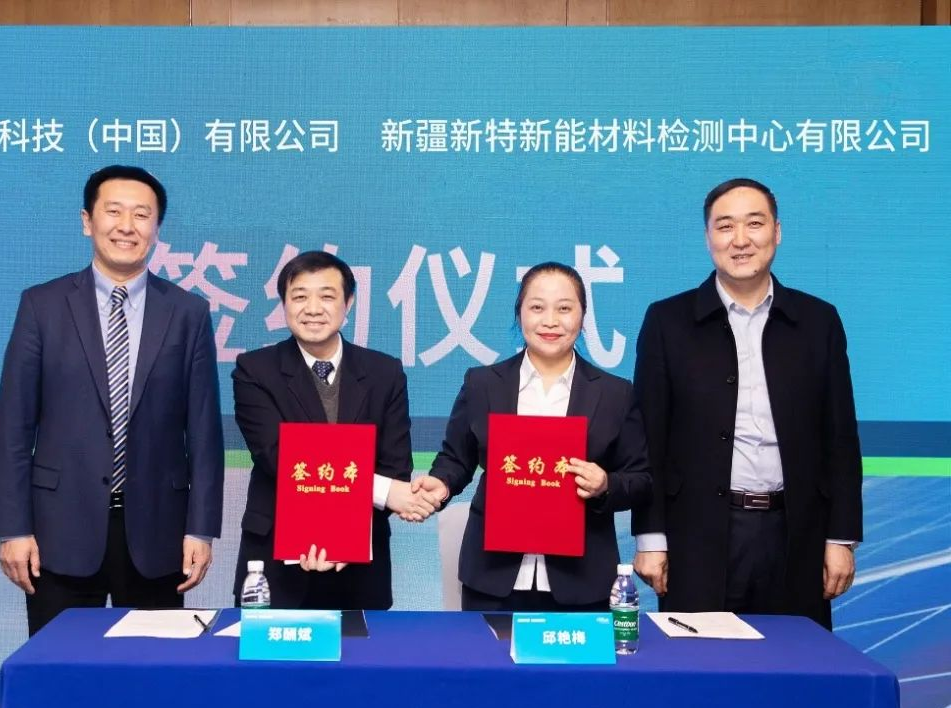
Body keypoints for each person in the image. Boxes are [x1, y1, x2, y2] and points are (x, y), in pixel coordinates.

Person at [0, 165, 224, 636]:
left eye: (142, 215)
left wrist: (200, 529)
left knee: (153, 668)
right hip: (59, 528)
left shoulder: (188, 312)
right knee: (62, 667)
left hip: (158, 529)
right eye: (113, 211)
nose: (127, 226)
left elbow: (204, 431)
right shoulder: (42, 305)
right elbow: (14, 425)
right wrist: (14, 528)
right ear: (87, 221)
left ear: (157, 228)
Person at [632, 177, 862, 629]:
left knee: (795, 663)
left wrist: (841, 537)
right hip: (697, 536)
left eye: (754, 224)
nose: (740, 240)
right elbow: (649, 439)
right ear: (708, 238)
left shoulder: (818, 321)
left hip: (796, 533)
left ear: (777, 231)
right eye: (725, 226)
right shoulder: (668, 321)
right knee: (699, 664)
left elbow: (840, 436)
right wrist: (650, 537)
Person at [416, 262, 652, 611]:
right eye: (537, 307)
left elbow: (641, 478)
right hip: (493, 576)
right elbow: (456, 458)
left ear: (583, 316)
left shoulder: (615, 393)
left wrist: (605, 484)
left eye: (564, 308)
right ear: (520, 313)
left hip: (581, 579)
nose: (550, 321)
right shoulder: (483, 384)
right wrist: (442, 483)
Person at [232, 250, 437, 610]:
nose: (313, 308)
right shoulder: (255, 370)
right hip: (276, 559)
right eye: (300, 296)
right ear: (284, 304)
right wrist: (384, 491)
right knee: (274, 648)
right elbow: (279, 457)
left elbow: (395, 465)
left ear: (348, 303)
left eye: (327, 296)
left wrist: (343, 537)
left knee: (360, 646)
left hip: (361, 563)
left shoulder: (384, 373)